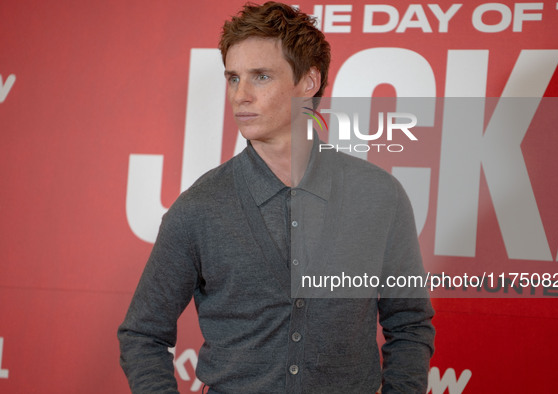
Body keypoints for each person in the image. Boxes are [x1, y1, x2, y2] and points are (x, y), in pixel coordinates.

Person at [117, 2, 435, 393]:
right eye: (233, 78)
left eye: (261, 76)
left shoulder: (379, 197)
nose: (240, 95)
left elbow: (409, 325)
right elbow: (142, 334)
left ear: (309, 82)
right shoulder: (198, 209)